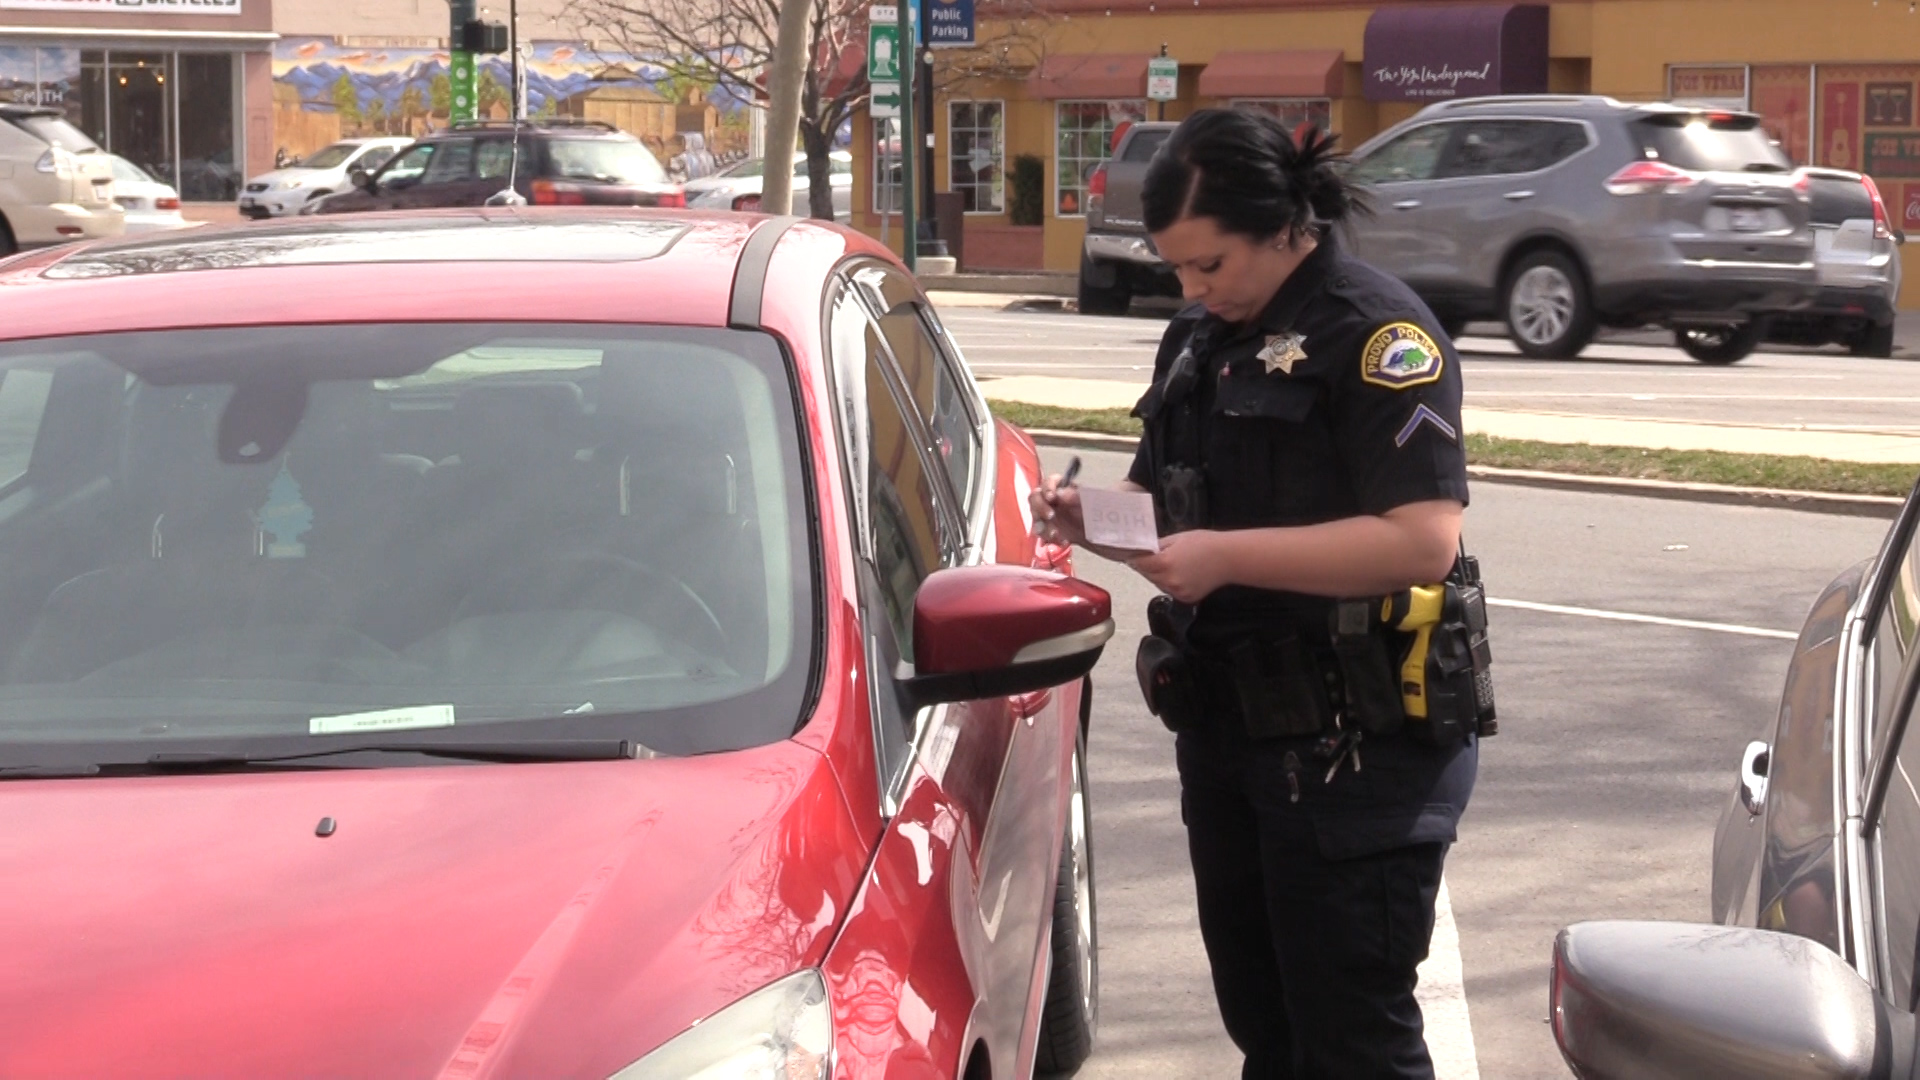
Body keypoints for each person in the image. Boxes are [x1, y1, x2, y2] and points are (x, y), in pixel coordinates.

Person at [1031, 108, 1478, 1080]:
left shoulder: (1375, 334)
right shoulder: (1199, 337)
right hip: (1230, 737)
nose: (1192, 289)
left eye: (1210, 265)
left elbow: (1423, 541)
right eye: (1177, 269)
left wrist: (1227, 557)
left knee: (1352, 1040)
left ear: (1284, 225)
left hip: (1353, 751)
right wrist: (1088, 516)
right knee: (1266, 1029)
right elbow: (1163, 497)